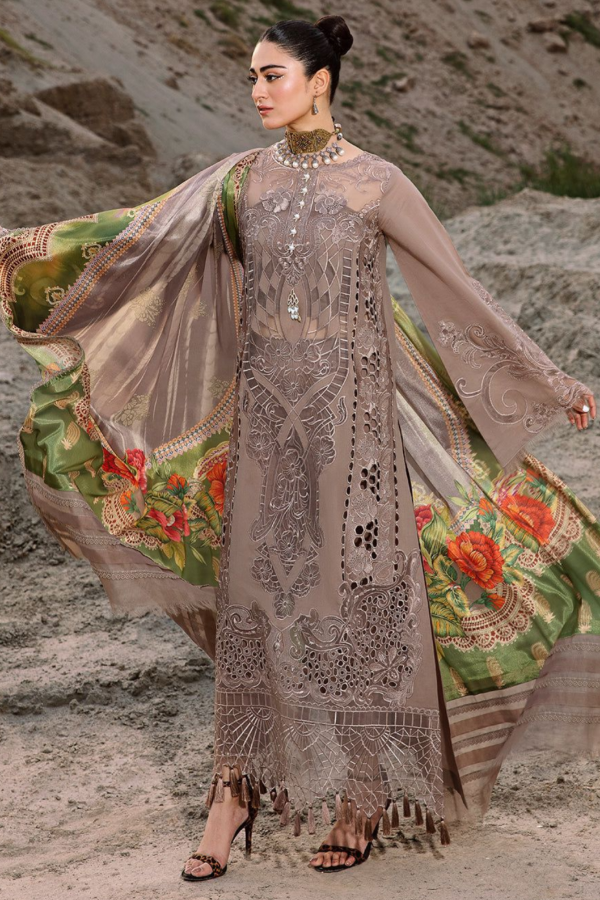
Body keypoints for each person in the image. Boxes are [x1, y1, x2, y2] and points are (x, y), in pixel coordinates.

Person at [1, 13, 598, 883]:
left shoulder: (377, 183)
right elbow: (138, 240)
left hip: (358, 434)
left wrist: (549, 379)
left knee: (354, 603)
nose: (257, 90)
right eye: (252, 75)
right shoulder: (239, 181)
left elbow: (457, 289)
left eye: (272, 75)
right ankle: (233, 791)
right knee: (255, 604)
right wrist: (16, 255)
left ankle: (362, 793)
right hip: (263, 429)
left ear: (320, 82)